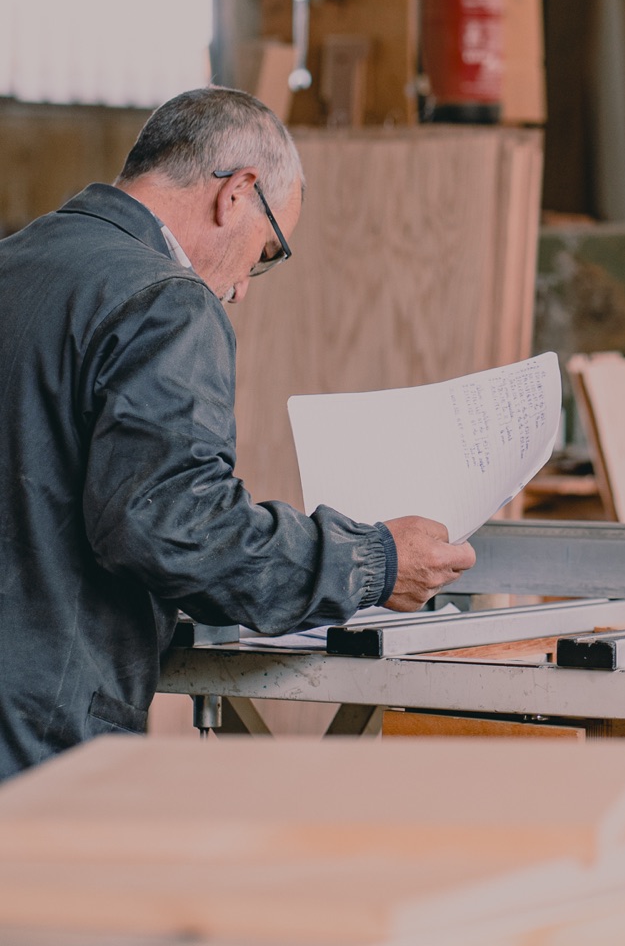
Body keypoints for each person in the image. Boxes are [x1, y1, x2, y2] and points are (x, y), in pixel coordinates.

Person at [0, 87, 474, 780]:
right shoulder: (165, 302)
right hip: (35, 746)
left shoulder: (16, 262)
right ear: (238, 194)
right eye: (266, 251)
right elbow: (175, 529)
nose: (245, 288)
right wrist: (372, 561)